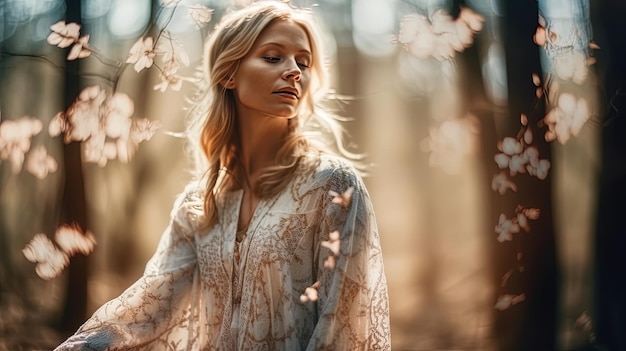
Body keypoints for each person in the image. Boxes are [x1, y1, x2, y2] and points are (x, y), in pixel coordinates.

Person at [55, 1, 390, 350]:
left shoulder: (333, 185)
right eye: (274, 57)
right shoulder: (198, 205)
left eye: (303, 62)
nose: (294, 71)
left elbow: (346, 324)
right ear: (229, 73)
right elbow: (147, 306)